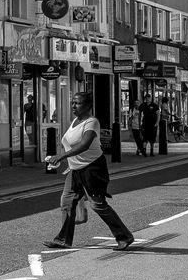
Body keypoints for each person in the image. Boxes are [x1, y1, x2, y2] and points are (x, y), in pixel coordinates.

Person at [43, 91, 135, 251]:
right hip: (76, 170)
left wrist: (61, 156)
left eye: (77, 103)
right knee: (67, 201)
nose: (73, 106)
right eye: (72, 102)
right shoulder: (75, 121)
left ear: (88, 106)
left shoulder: (92, 122)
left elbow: (84, 144)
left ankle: (124, 236)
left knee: (98, 205)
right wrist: (66, 160)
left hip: (93, 169)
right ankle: (63, 239)